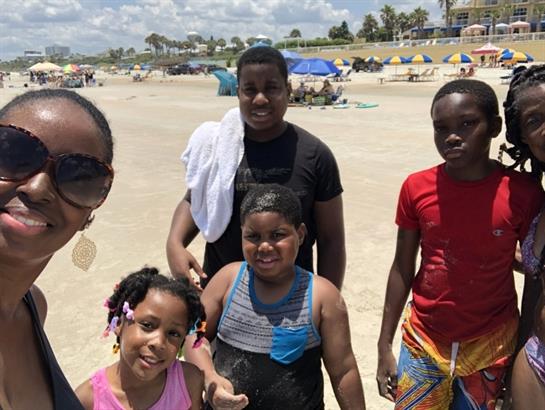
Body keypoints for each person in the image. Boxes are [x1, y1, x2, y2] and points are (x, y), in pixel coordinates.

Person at [376, 79, 545, 409]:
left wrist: (520, 353)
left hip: (492, 342)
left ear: (494, 127)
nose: (452, 136)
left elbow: (534, 273)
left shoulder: (523, 193)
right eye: (441, 128)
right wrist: (384, 345)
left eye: (467, 124)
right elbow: (402, 267)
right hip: (423, 338)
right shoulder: (416, 187)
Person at [166, 46, 345, 290]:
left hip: (294, 297)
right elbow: (195, 198)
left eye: (271, 88)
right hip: (222, 294)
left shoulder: (315, 155)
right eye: (250, 90)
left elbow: (331, 240)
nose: (260, 99)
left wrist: (328, 298)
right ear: (238, 92)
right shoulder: (219, 145)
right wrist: (175, 243)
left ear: (287, 90)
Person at [185, 184, 365, 409]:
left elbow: (343, 370)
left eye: (277, 235)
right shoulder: (227, 281)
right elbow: (195, 336)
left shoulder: (321, 296)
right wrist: (210, 378)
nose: (264, 246)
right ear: (241, 235)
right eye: (253, 236)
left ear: (300, 234)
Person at [0, 89, 115, 409]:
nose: (38, 189)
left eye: (78, 176)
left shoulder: (32, 306)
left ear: (87, 216)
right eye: (15, 155)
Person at [75, 267, 205, 409]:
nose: (158, 343)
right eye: (147, 325)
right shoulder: (89, 400)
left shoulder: (188, 381)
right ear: (118, 323)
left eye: (173, 333)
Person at [500, 64, 545, 408]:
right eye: (534, 120)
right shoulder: (539, 203)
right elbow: (535, 286)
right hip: (535, 358)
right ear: (523, 137)